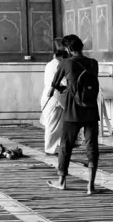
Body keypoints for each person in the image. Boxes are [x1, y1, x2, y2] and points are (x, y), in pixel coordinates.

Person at [46, 34, 100, 195]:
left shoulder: (66, 62)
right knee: (92, 147)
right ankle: (91, 186)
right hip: (91, 109)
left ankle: (61, 181)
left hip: (72, 110)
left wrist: (66, 88)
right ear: (81, 47)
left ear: (68, 49)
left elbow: (55, 84)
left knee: (65, 146)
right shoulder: (93, 63)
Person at [40, 41, 68, 155]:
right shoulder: (58, 65)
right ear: (62, 56)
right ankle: (49, 149)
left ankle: (54, 146)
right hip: (54, 97)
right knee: (53, 124)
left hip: (49, 95)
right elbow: (64, 81)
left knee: (54, 123)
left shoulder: (50, 63)